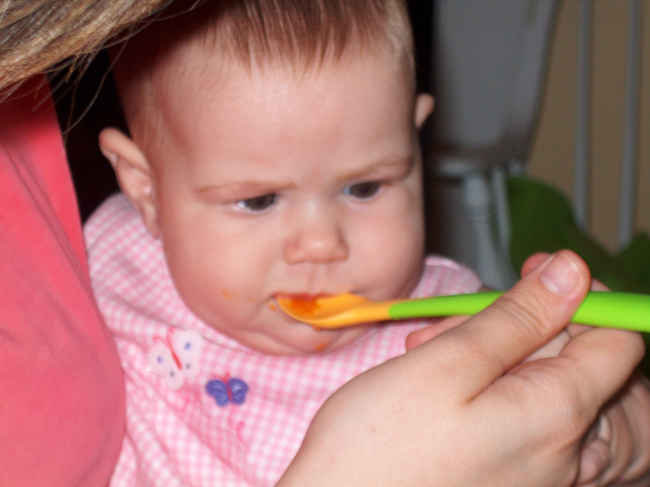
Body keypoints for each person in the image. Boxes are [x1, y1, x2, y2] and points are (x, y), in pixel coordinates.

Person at [1, 1, 649, 486]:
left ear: (413, 143)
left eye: (365, 187)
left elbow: (628, 417)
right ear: (147, 191)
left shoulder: (449, 326)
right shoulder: (109, 262)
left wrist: (601, 425)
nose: (320, 243)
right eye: (258, 200)